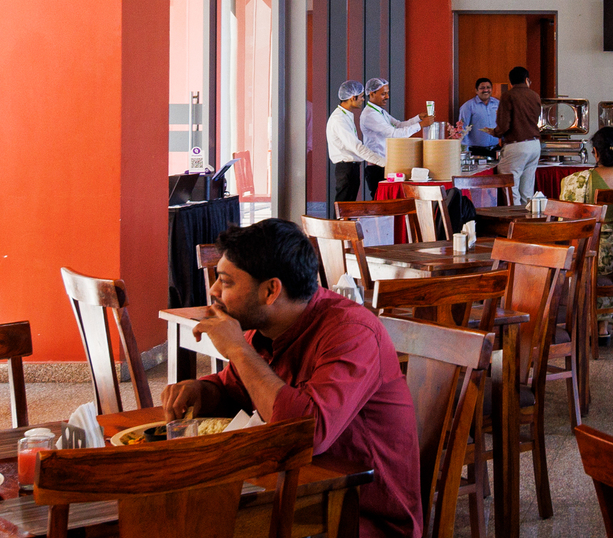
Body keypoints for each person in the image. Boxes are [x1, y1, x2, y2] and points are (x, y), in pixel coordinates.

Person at [166, 218, 421, 538]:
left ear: (271, 290)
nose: (214, 291)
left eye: (226, 282)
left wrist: (237, 350)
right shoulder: (264, 328)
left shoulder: (351, 333)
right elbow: (238, 388)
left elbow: (307, 433)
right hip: (295, 492)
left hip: (357, 517)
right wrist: (203, 391)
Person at [558, 127, 613, 337]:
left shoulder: (576, 181)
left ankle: (600, 325)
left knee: (590, 256)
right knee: (606, 258)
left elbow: (566, 224)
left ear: (595, 153)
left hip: (594, 257)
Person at [357, 78, 420, 198]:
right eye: (383, 94)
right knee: (381, 203)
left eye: (387, 93)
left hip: (386, 165)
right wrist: (419, 126)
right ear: (371, 94)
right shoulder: (370, 115)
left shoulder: (380, 112)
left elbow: (399, 125)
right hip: (377, 167)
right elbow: (393, 134)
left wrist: (418, 119)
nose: (387, 97)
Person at [495, 66, 543, 204]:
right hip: (534, 144)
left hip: (517, 145)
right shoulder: (535, 96)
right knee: (527, 189)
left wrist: (495, 132)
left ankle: (514, 219)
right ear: (527, 80)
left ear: (510, 83)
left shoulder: (508, 96)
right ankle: (527, 220)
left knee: (511, 186)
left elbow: (504, 125)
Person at [327, 82, 370, 205]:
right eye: (361, 96)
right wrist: (381, 161)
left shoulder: (345, 116)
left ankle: (343, 224)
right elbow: (356, 146)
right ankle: (338, 225)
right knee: (343, 206)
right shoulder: (339, 119)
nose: (363, 99)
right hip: (346, 168)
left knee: (348, 206)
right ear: (352, 98)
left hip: (351, 167)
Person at [457, 77, 501, 160]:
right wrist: (464, 152)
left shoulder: (498, 103)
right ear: (476, 91)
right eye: (482, 88)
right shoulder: (468, 106)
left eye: (488, 87)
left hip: (495, 150)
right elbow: (462, 129)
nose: (486, 90)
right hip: (477, 152)